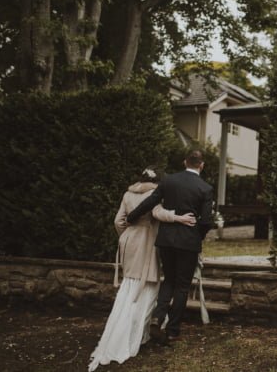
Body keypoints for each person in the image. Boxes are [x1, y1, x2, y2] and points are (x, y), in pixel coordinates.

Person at [88, 167, 196, 371]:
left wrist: (127, 235)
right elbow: (157, 212)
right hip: (147, 242)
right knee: (147, 287)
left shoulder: (128, 194)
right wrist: (178, 217)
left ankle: (134, 333)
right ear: (156, 181)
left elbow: (118, 221)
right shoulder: (153, 193)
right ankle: (134, 336)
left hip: (129, 241)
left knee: (130, 284)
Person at [126, 150, 213, 345]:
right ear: (202, 165)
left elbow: (150, 202)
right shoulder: (205, 188)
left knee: (169, 280)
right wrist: (197, 235)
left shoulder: (169, 181)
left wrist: (131, 217)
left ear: (184, 162)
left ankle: (158, 317)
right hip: (188, 243)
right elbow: (207, 221)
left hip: (166, 240)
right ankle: (173, 331)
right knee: (182, 286)